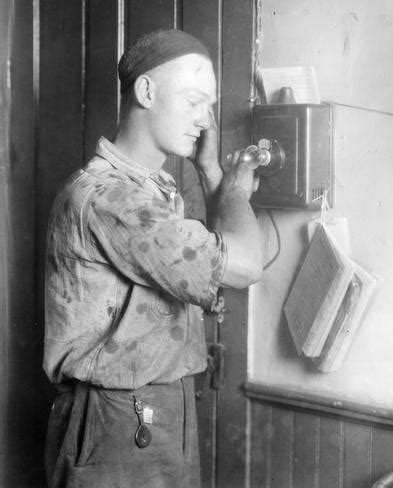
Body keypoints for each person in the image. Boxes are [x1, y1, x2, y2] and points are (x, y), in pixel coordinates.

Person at [43, 29, 262, 488]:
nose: (206, 120)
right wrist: (234, 188)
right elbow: (244, 264)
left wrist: (207, 172)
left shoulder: (152, 189)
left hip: (158, 407)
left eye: (211, 106)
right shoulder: (111, 198)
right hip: (117, 419)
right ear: (146, 91)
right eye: (195, 101)